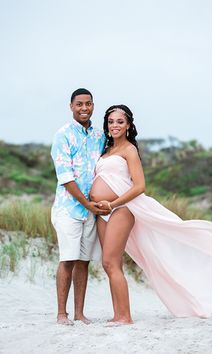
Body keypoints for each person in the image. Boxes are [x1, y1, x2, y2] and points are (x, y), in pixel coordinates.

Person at [90, 104, 212, 325]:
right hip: (102, 212)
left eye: (120, 121)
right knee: (110, 263)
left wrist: (112, 204)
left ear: (128, 125)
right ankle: (118, 314)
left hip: (121, 209)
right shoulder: (105, 151)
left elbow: (139, 186)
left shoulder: (129, 150)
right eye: (111, 122)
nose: (115, 126)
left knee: (111, 261)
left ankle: (124, 317)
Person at [51, 88, 109, 325]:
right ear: (71, 106)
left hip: (91, 211)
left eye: (88, 104)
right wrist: (87, 204)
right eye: (79, 104)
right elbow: (65, 177)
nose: (84, 108)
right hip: (69, 209)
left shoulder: (99, 136)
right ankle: (61, 314)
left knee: (83, 261)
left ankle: (79, 313)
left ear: (93, 105)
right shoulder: (62, 135)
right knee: (68, 259)